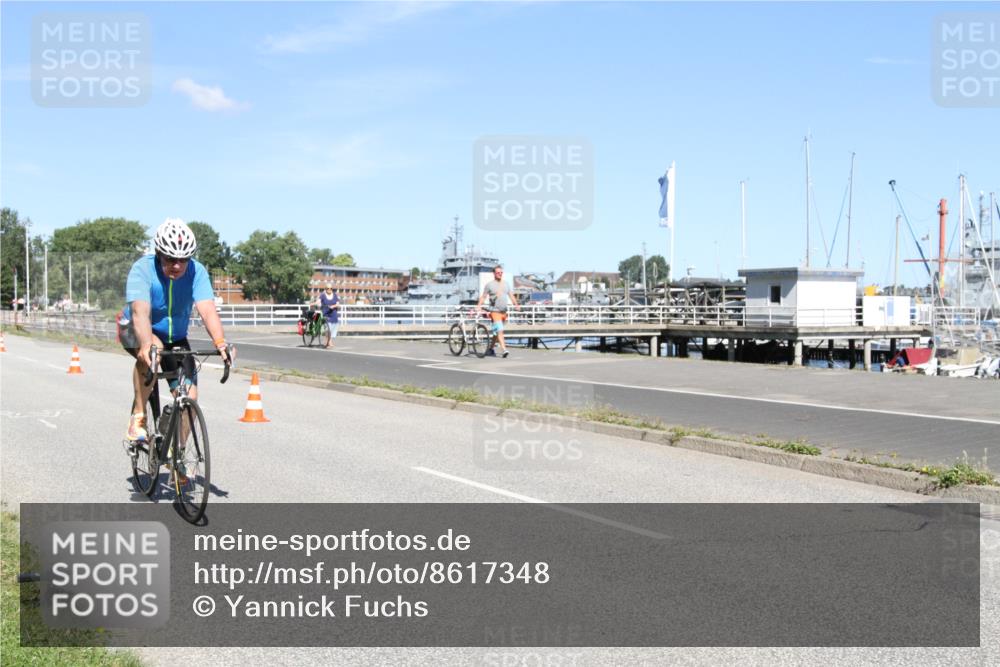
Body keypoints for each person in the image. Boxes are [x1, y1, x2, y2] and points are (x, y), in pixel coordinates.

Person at [118, 218, 232, 442]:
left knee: (190, 397)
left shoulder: (197, 272)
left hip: (176, 336)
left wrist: (220, 343)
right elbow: (141, 312)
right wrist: (145, 345)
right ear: (159, 253)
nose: (177, 265)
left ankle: (176, 455)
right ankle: (138, 418)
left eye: (183, 259)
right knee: (154, 351)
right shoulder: (142, 269)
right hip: (135, 328)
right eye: (171, 259)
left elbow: (207, 310)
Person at [477, 264, 518, 358]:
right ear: (494, 274)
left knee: (496, 332)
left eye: (501, 272)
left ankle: (490, 349)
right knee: (500, 330)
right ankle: (504, 350)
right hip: (494, 312)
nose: (500, 274)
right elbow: (483, 296)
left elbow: (511, 295)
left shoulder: (506, 284)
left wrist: (516, 305)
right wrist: (478, 306)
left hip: (504, 312)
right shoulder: (489, 285)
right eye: (498, 272)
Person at [314, 284, 340, 348]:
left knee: (333, 328)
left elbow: (338, 304)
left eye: (331, 288)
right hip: (325, 314)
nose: (329, 290)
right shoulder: (323, 295)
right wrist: (314, 303)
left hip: (333, 314)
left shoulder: (334, 295)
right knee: (327, 329)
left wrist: (333, 306)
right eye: (328, 288)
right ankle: (328, 342)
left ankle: (329, 341)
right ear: (326, 289)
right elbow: (318, 301)